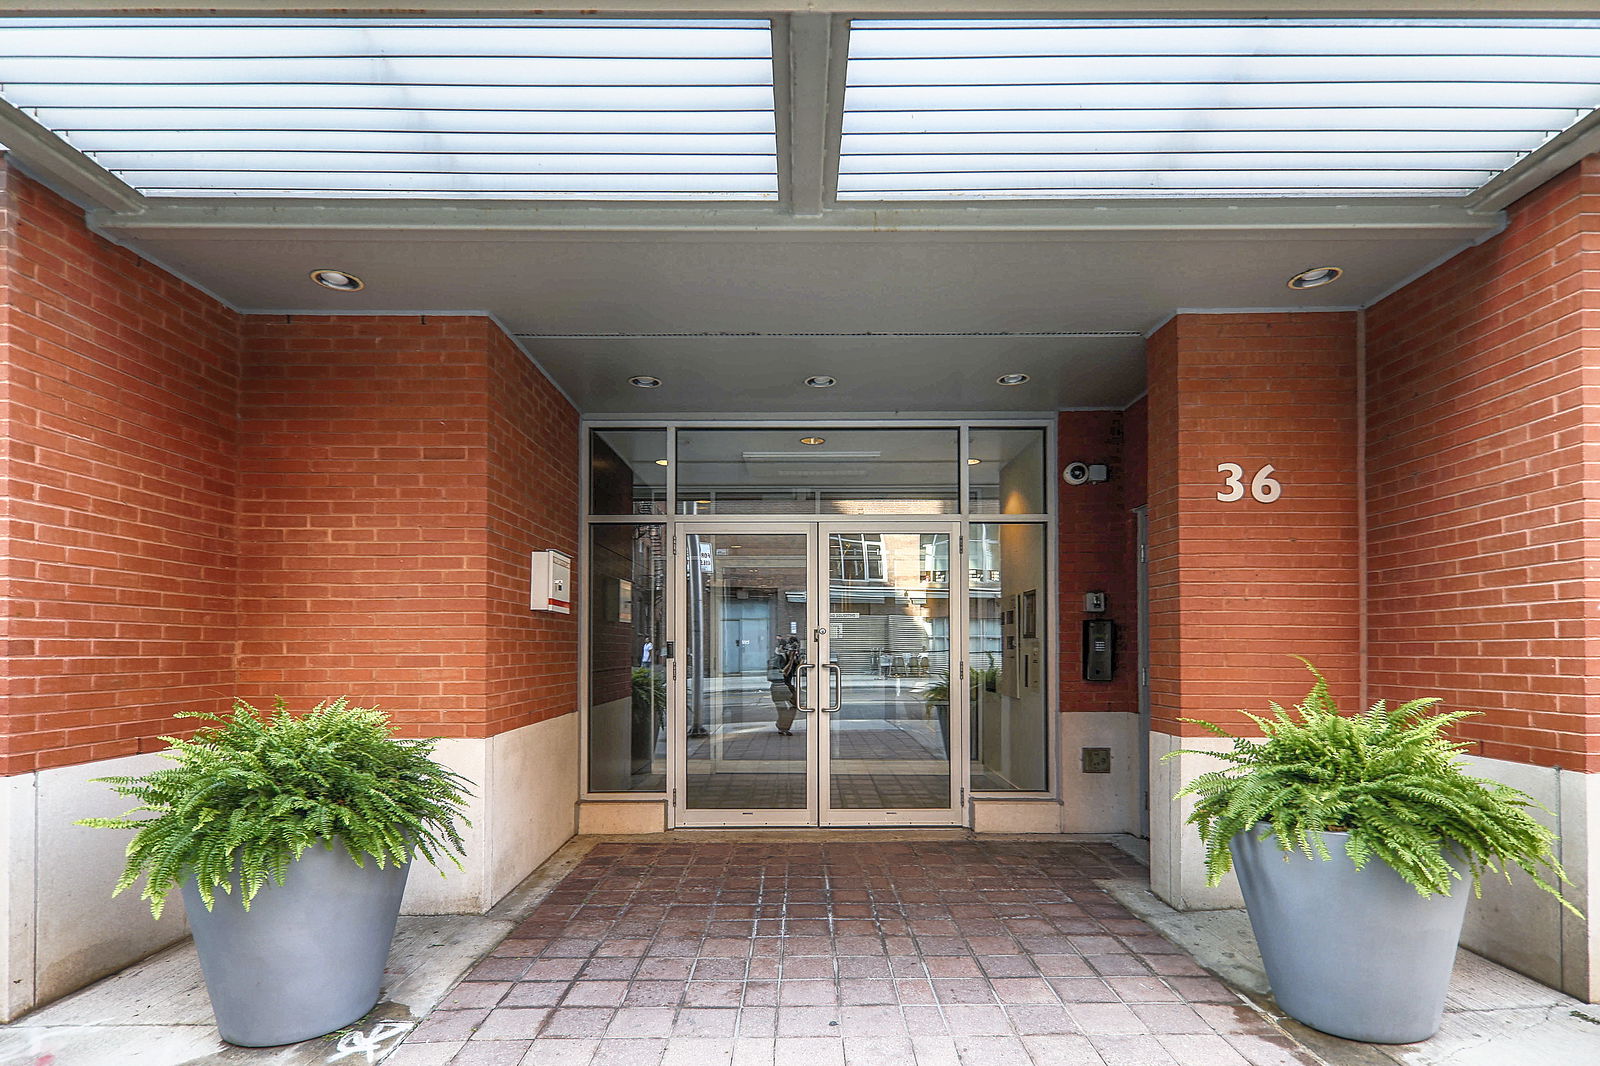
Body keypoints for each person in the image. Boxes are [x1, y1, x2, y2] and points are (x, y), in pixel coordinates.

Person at [768, 636, 802, 735]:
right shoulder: (777, 658)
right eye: (792, 648)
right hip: (779, 686)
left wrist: (798, 660)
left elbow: (799, 670)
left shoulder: (788, 657)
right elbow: (784, 673)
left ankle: (782, 725)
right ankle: (783, 727)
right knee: (783, 709)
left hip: (787, 686)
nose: (794, 651)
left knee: (795, 704)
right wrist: (791, 659)